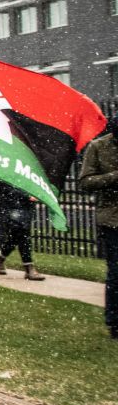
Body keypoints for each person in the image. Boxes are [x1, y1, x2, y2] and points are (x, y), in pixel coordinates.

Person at [78, 112, 118, 340]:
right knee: (116, 271)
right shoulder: (98, 147)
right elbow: (85, 182)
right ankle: (114, 321)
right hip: (112, 218)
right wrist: (113, 177)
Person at [0, 180, 44, 280]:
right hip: (9, 207)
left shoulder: (27, 170)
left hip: (25, 207)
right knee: (22, 234)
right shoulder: (5, 169)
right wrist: (25, 195)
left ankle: (0, 259)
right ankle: (29, 267)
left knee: (16, 236)